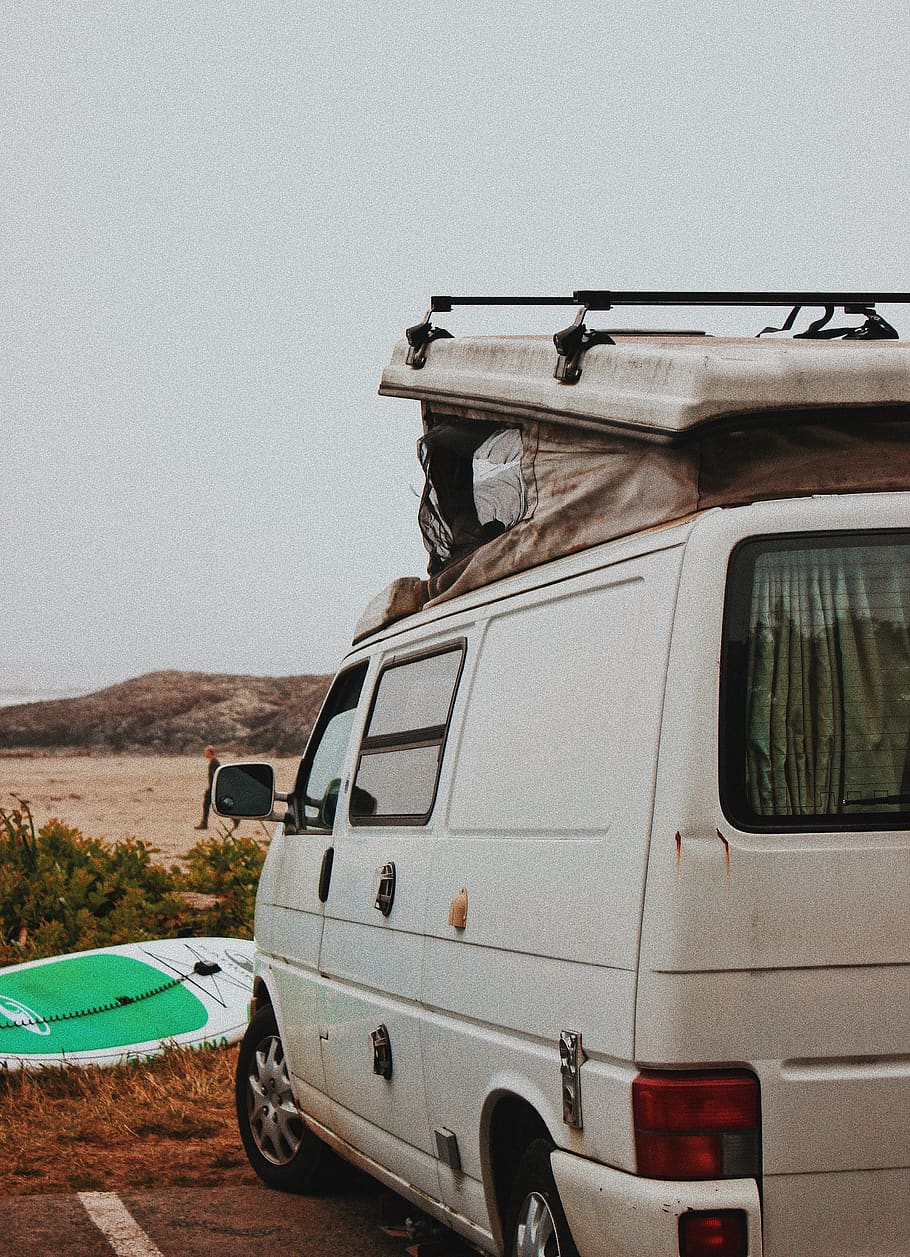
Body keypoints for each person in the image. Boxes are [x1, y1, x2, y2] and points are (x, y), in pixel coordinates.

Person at [195, 745, 219, 830]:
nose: (205, 754)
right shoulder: (213, 761)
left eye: (206, 752)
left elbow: (216, 775)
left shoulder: (214, 762)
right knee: (208, 804)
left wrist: (212, 788)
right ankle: (204, 822)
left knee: (206, 805)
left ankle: (204, 823)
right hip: (213, 787)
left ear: (209, 752)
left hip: (213, 788)